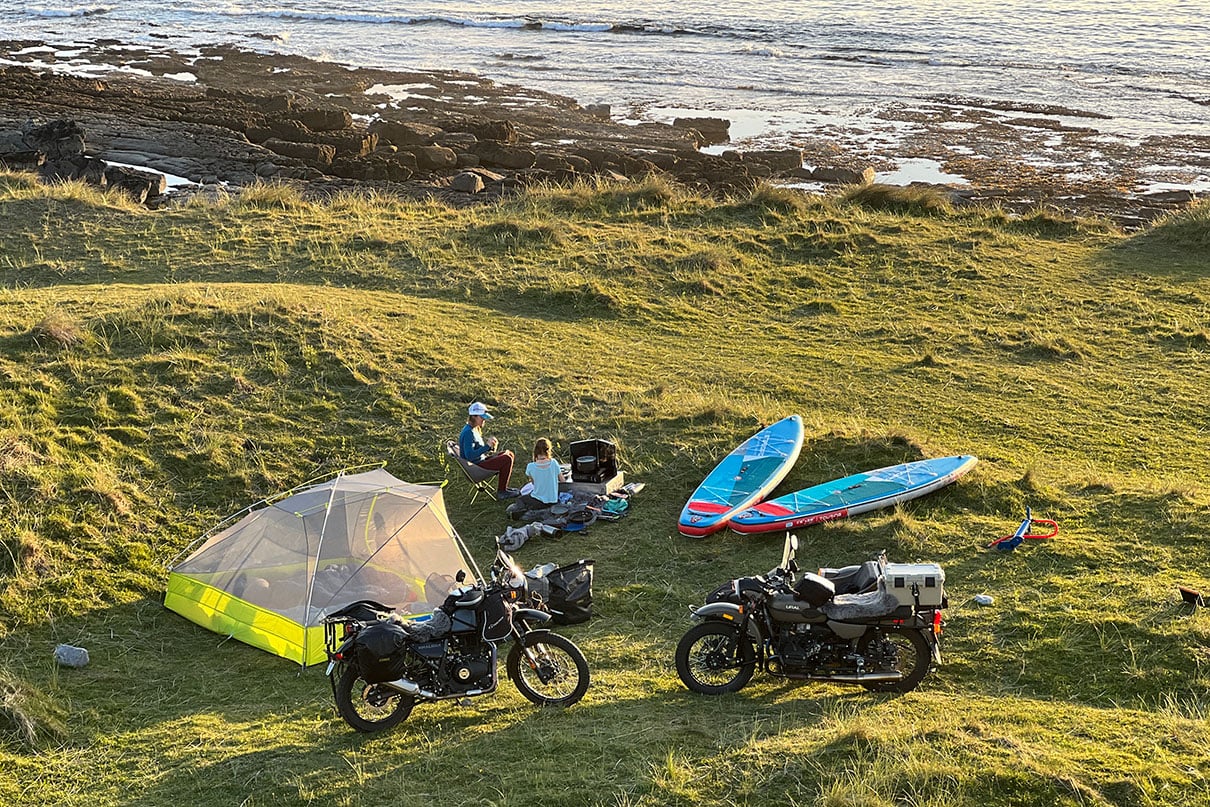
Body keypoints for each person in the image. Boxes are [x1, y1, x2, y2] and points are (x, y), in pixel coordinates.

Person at [459, 401, 519, 500]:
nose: (484, 420)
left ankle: (504, 488)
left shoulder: (473, 429)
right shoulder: (468, 432)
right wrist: (487, 446)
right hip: (475, 468)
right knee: (507, 459)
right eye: (482, 418)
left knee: (508, 454)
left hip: (480, 462)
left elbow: (476, 450)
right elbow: (469, 455)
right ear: (474, 417)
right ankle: (502, 492)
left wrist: (490, 447)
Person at [517, 437, 562, 511]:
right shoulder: (554, 462)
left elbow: (534, 483)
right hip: (553, 500)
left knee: (521, 499)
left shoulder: (531, 466)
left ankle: (524, 511)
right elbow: (562, 480)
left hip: (538, 501)